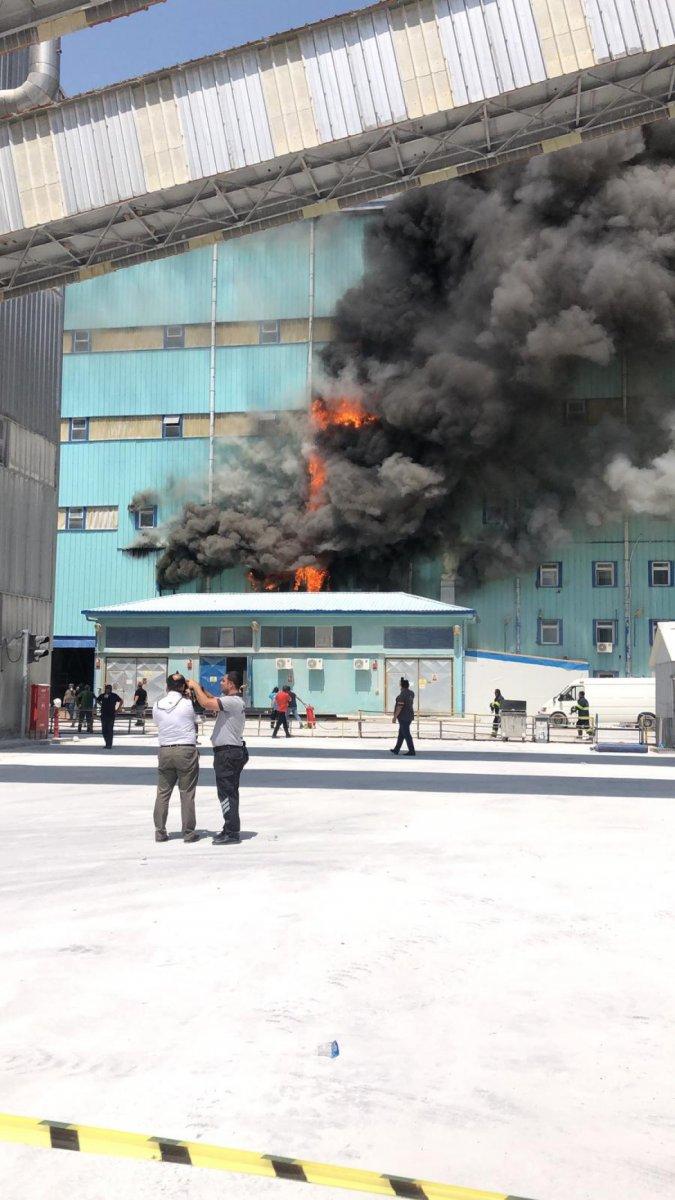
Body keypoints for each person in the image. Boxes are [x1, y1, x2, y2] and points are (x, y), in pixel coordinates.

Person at [187, 672, 248, 845]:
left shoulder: (232, 701)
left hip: (227, 754)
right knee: (229, 792)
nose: (221, 682)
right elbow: (212, 698)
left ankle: (231, 832)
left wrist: (195, 687)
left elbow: (207, 703)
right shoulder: (233, 701)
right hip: (231, 752)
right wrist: (202, 689)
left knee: (226, 793)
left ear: (231, 684)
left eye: (224, 680)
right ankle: (230, 827)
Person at [152, 672, 199, 843]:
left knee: (163, 792)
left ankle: (160, 831)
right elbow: (198, 718)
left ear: (166, 686)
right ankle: (188, 832)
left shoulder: (157, 704)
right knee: (186, 792)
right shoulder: (188, 703)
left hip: (165, 750)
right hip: (185, 750)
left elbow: (157, 723)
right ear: (183, 687)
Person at [390, 677, 415, 756]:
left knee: (406, 734)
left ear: (401, 685)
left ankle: (412, 751)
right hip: (409, 716)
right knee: (401, 734)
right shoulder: (411, 693)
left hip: (403, 717)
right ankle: (396, 749)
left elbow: (399, 707)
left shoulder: (402, 695)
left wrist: (394, 717)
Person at [95, 683, 123, 748]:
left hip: (111, 715)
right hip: (103, 715)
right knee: (104, 730)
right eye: (106, 689)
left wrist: (118, 709)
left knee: (110, 730)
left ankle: (109, 745)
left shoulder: (114, 695)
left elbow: (121, 701)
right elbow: (97, 700)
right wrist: (101, 705)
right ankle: (107, 743)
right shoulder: (102, 695)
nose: (107, 690)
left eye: (109, 689)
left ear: (111, 689)